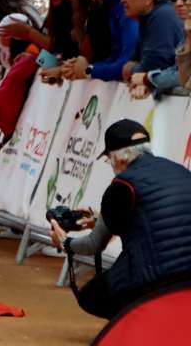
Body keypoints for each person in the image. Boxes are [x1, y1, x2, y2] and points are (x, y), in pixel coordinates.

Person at [49, 120, 191, 319]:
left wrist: (65, 242)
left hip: (157, 278)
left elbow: (93, 245)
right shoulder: (180, 171)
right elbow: (154, 219)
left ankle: (140, 323)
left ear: (118, 156)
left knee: (92, 296)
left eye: (108, 159)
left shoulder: (122, 184)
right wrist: (100, 219)